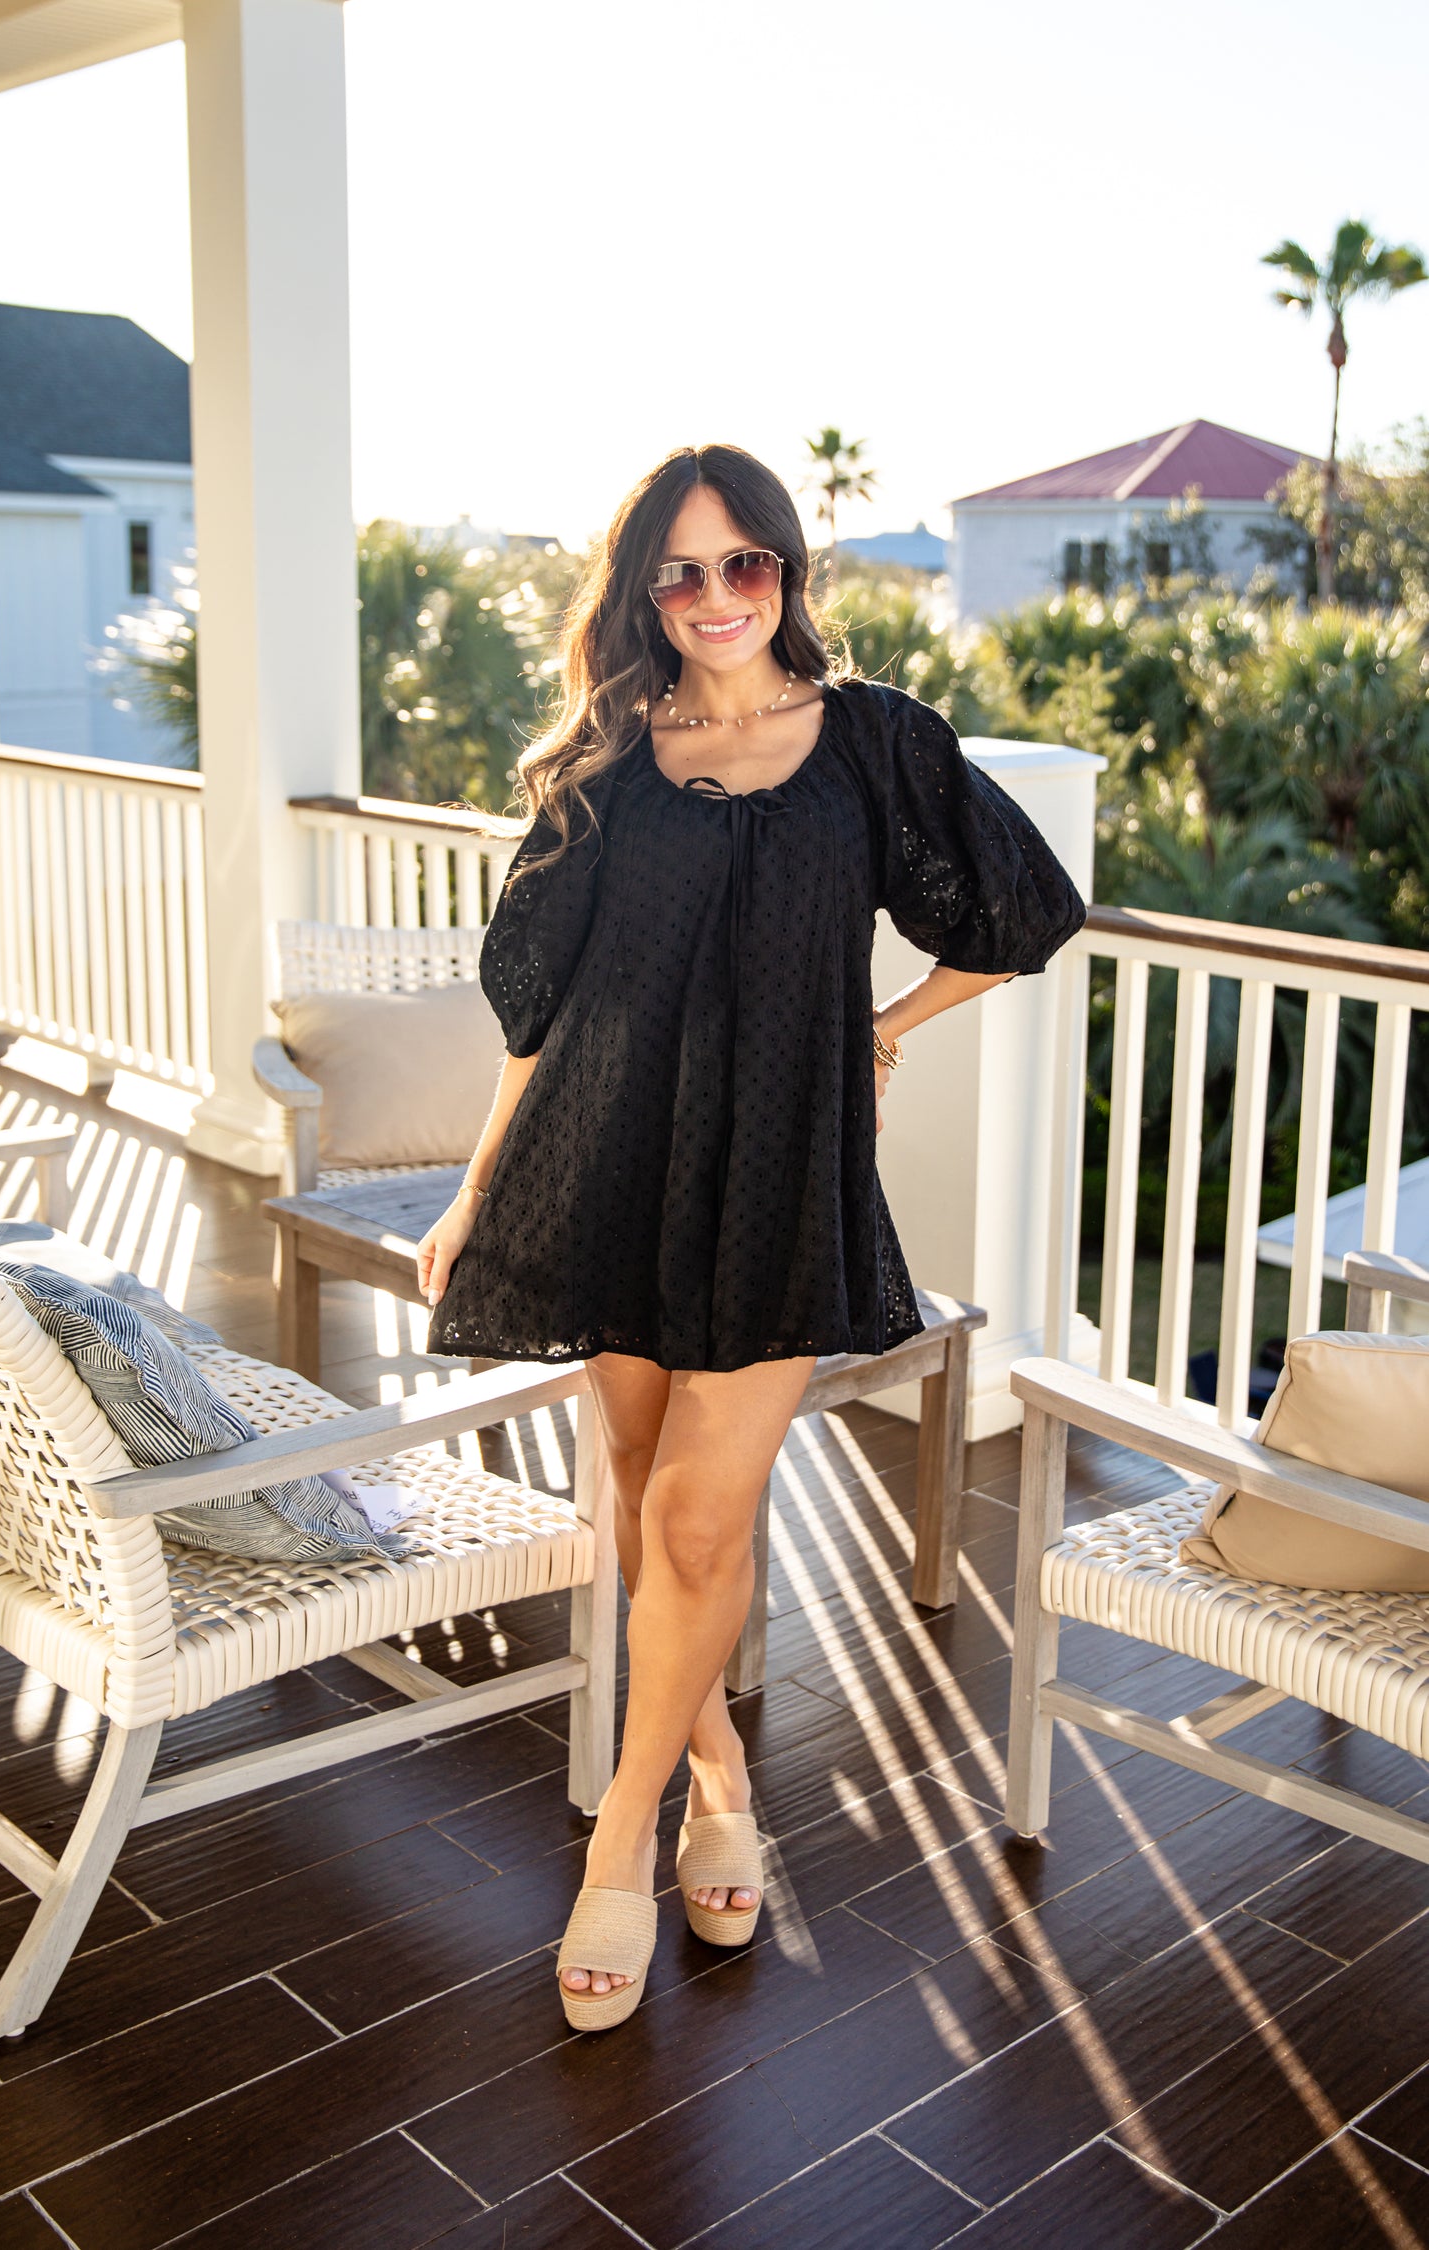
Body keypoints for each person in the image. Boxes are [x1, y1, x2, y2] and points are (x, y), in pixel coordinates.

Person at [416, 443, 1085, 2032]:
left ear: (789, 573)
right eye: (682, 573)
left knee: (703, 1527)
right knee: (644, 1496)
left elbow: (1021, 910)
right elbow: (539, 1010)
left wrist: (888, 1023)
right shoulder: (608, 756)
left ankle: (620, 1835)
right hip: (605, 1151)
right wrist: (474, 1183)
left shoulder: (871, 744)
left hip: (782, 1170)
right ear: (644, 590)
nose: (717, 599)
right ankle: (715, 1765)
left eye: (747, 566)